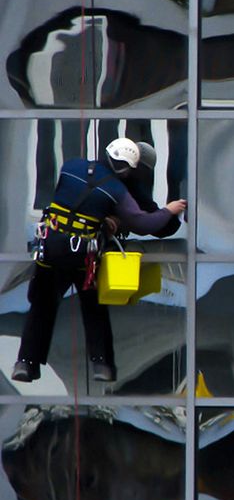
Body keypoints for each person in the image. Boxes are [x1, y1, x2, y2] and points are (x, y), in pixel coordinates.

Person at [12, 138, 187, 383]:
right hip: (84, 259)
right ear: (127, 168)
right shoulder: (117, 190)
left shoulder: (71, 167)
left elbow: (70, 201)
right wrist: (169, 210)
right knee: (93, 309)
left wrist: (103, 216)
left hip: (50, 250)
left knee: (41, 307)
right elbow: (144, 223)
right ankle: (101, 365)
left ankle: (25, 364)